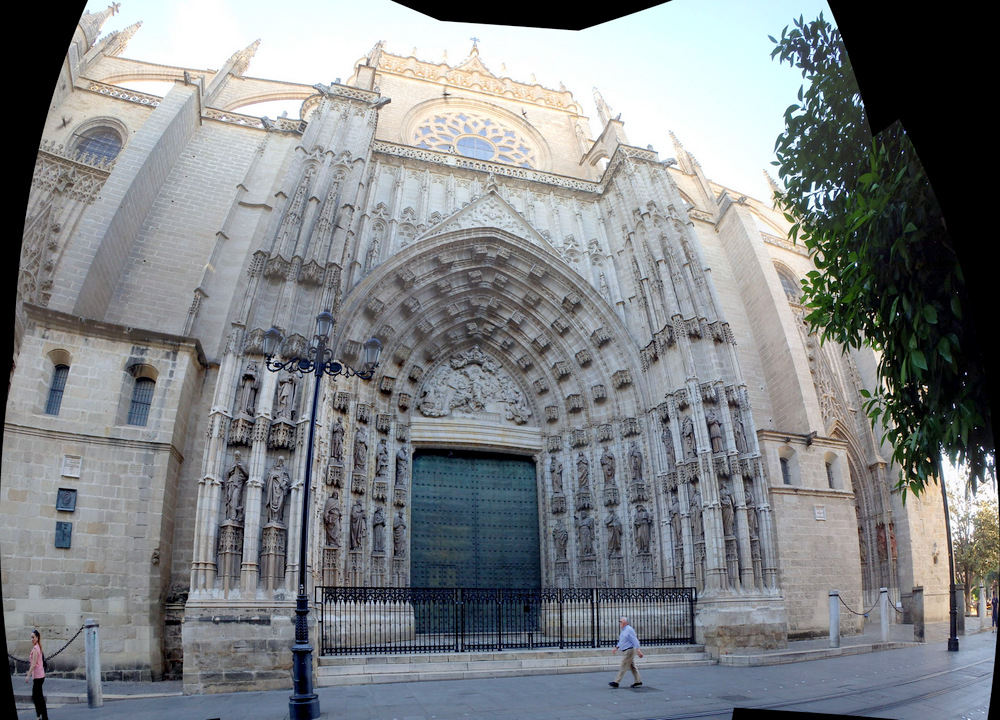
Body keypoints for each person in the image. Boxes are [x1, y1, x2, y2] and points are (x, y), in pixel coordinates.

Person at [609, 616, 643, 688]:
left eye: (621, 621)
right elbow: (622, 641)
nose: (620, 623)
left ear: (626, 622)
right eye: (620, 621)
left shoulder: (629, 630)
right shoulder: (624, 630)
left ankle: (616, 682)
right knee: (632, 666)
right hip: (626, 650)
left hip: (629, 650)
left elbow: (635, 640)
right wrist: (616, 648)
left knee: (623, 665)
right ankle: (638, 681)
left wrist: (638, 650)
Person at [26, 628, 49, 720]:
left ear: (37, 637)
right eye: (31, 637)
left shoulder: (36, 648)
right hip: (40, 675)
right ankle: (40, 715)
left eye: (33, 637)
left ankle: (41, 716)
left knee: (37, 697)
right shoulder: (38, 646)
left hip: (38, 676)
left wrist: (28, 675)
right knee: (37, 696)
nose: (32, 639)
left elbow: (34, 664)